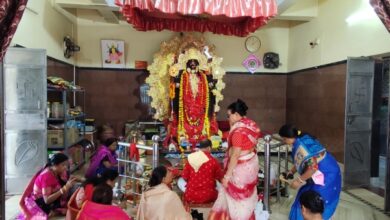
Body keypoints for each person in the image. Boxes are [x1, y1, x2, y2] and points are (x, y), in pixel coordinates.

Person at [208, 99, 261, 220]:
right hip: (251, 165)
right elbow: (252, 145)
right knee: (246, 196)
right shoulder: (251, 125)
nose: (228, 119)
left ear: (237, 115)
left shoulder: (238, 132)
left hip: (240, 169)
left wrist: (227, 176)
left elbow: (235, 155)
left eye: (229, 116)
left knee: (236, 199)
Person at [278, 124, 341, 220]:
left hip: (326, 174)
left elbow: (312, 168)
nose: (284, 141)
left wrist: (298, 180)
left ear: (291, 137)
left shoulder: (302, 146)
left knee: (315, 200)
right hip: (320, 171)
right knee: (304, 195)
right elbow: (301, 159)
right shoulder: (301, 138)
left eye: (285, 139)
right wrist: (291, 171)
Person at [166, 48, 219, 149]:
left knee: (203, 124)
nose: (193, 63)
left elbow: (212, 90)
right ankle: (184, 141)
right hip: (185, 110)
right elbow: (175, 93)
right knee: (183, 126)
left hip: (200, 110)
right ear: (186, 63)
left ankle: (202, 140)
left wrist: (210, 78)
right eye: (191, 61)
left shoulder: (203, 76)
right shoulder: (182, 75)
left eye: (195, 61)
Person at [18, 153, 78, 219]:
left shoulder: (59, 172)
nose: (65, 167)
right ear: (55, 165)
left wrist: (69, 185)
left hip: (53, 194)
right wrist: (64, 189)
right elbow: (47, 200)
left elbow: (65, 183)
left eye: (66, 165)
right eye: (63, 165)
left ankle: (56, 209)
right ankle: (53, 211)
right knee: (69, 208)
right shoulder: (46, 176)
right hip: (41, 201)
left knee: (74, 189)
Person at [179, 139, 223, 204]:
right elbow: (219, 177)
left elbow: (185, 176)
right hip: (209, 195)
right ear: (209, 148)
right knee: (220, 185)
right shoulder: (213, 161)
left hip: (191, 195)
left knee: (180, 180)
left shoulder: (191, 158)